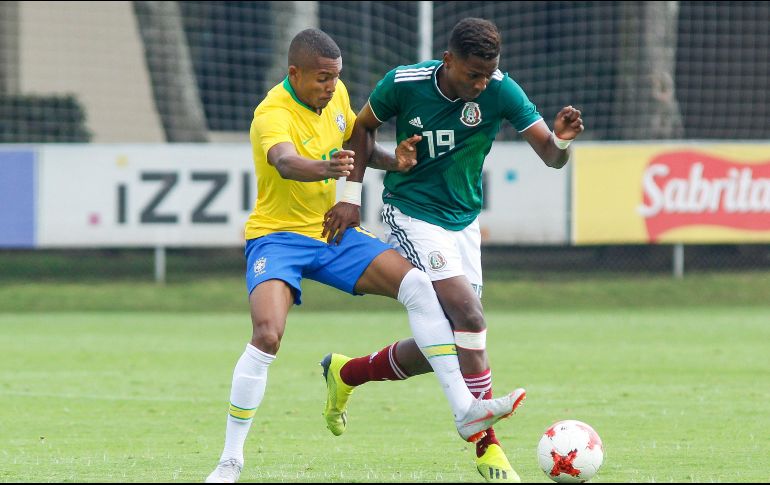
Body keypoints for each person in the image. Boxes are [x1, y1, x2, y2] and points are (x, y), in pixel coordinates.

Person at [205, 28, 527, 484]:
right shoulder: (270, 113)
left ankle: (465, 412)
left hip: (332, 232)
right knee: (268, 335)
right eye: (321, 78)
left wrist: (392, 161)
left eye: (335, 78)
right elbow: (285, 161)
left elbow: (359, 146)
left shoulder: (337, 98)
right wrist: (326, 168)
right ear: (294, 72)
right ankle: (230, 460)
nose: (331, 87)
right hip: (277, 238)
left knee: (419, 287)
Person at [321, 17, 584, 484]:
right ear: (448, 61)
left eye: (488, 75)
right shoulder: (403, 83)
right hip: (410, 212)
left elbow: (549, 154)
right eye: (472, 76)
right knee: (470, 316)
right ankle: (487, 446)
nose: (481, 85)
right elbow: (360, 130)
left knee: (445, 344)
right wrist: (349, 198)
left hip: (462, 225)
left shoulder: (501, 90)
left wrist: (562, 141)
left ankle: (347, 374)